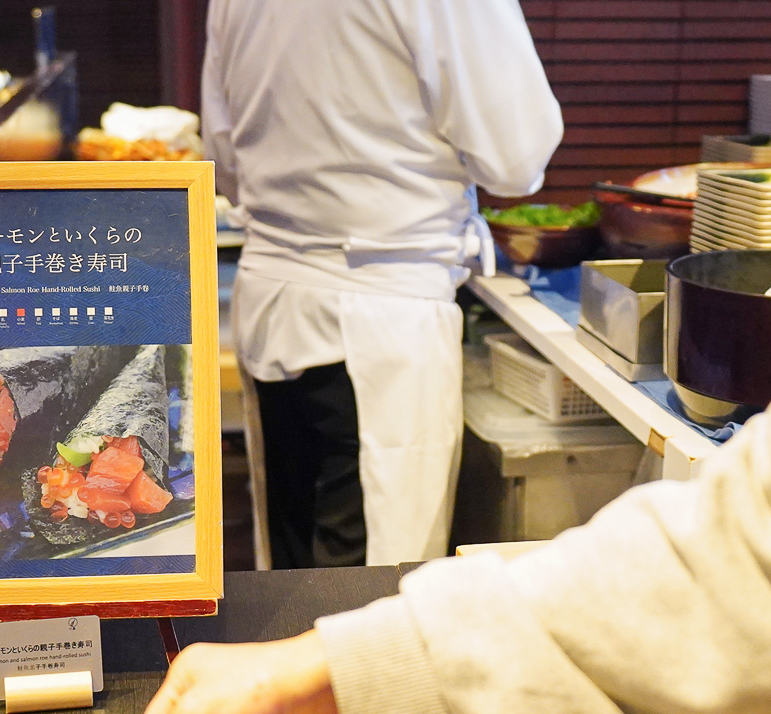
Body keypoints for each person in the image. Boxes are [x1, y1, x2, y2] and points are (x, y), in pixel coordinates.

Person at [145, 358, 771, 713]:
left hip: (293, 326)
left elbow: (740, 559)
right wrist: (344, 664)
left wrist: (349, 665)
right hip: (376, 329)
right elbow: (514, 156)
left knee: (313, 548)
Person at [201, 0, 563, 569]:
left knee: (289, 575)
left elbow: (225, 159)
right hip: (380, 320)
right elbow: (516, 157)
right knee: (365, 599)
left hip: (272, 297)